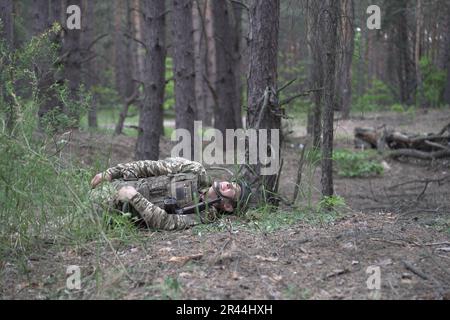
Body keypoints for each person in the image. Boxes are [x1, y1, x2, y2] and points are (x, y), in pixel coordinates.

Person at [89, 157, 250, 231]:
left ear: (228, 206)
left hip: (113, 215)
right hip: (112, 187)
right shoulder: (195, 170)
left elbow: (166, 222)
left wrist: (133, 197)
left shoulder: (204, 215)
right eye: (232, 182)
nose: (228, 184)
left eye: (233, 190)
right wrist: (111, 173)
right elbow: (150, 166)